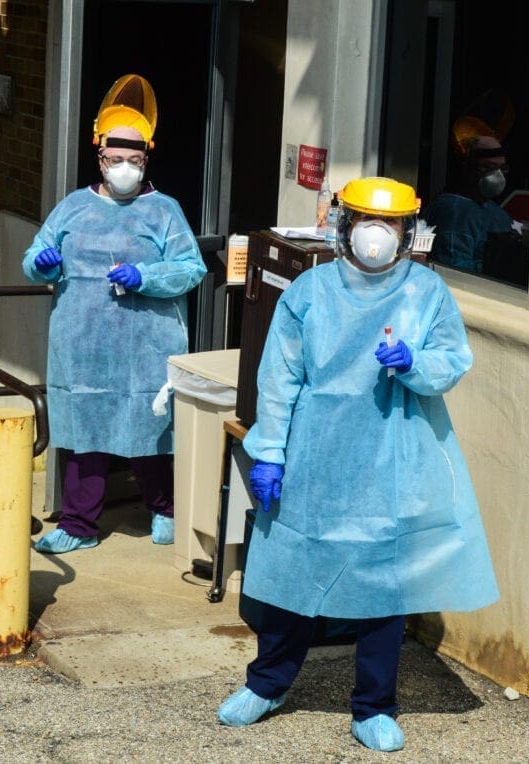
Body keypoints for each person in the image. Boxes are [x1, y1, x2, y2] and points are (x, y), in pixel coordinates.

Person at [217, 177, 499, 752]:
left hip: (394, 455)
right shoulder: (310, 291)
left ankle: (373, 705)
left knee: (383, 587)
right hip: (315, 454)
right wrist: (268, 451)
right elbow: (279, 380)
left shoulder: (427, 292)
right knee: (295, 574)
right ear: (343, 226)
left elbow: (453, 360)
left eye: (390, 224)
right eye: (367, 220)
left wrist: (415, 360)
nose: (378, 234)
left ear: (408, 232)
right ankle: (267, 684)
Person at [22, 74, 206, 554]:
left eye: (134, 160)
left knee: (150, 430)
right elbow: (35, 254)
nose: (124, 168)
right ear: (99, 156)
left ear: (146, 159)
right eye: (115, 159)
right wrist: (43, 262)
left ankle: (164, 510)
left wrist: (145, 277)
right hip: (82, 347)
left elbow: (191, 268)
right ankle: (80, 525)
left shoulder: (164, 211)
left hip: (148, 345)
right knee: (84, 437)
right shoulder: (72, 208)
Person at [423, 116, 521, 276]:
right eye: (490, 167)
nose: (498, 175)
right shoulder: (454, 213)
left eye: (502, 168)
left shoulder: (490, 209)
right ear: (466, 167)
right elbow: (457, 277)